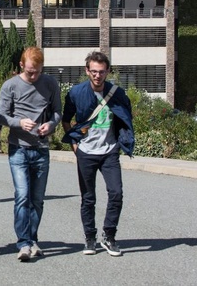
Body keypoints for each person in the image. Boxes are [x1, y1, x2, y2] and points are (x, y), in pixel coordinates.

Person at [61, 51, 134, 257]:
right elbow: (66, 119)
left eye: (101, 72)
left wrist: (122, 142)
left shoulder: (117, 93)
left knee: (116, 193)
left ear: (107, 71)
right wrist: (74, 144)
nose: (97, 76)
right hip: (86, 152)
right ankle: (90, 238)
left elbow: (126, 118)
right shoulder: (76, 93)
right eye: (93, 71)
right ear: (87, 71)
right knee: (88, 197)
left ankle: (109, 237)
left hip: (109, 151)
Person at [0, 47, 61, 262]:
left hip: (41, 148)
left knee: (38, 199)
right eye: (30, 71)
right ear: (21, 66)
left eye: (38, 71)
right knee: (22, 196)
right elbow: (1, 116)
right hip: (19, 148)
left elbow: (57, 112)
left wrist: (50, 125)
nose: (34, 76)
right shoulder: (10, 86)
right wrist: (19, 123)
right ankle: (23, 243)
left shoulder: (50, 84)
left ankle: (33, 239)